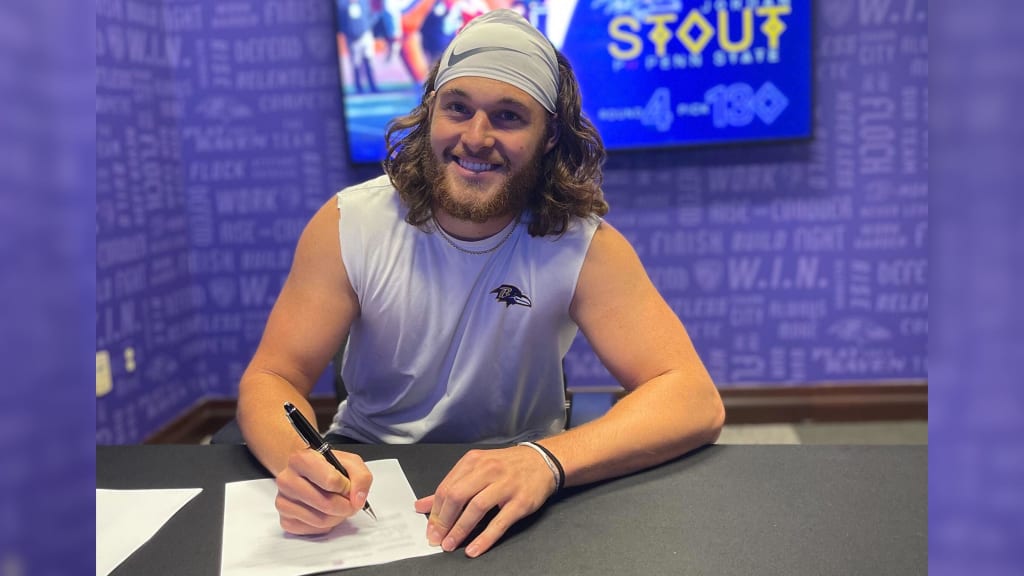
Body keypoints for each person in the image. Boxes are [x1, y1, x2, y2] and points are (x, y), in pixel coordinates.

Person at [237, 9, 724, 559]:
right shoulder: (349, 223)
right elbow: (272, 377)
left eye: (509, 116)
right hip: (368, 478)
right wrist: (299, 464)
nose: (475, 137)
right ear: (430, 115)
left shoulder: (584, 244)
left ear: (547, 139)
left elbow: (693, 397)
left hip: (522, 475)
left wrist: (546, 460)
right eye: (458, 108)